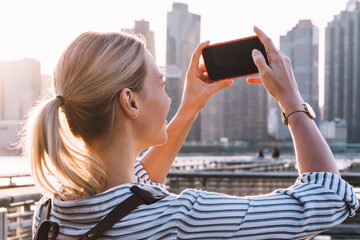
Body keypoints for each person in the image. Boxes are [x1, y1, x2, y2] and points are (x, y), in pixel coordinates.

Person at [21, 27, 358, 239]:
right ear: (130, 102)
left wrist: (187, 110)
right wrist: (292, 102)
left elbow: (128, 193)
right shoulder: (180, 219)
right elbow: (331, 199)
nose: (168, 97)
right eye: (162, 84)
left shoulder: (50, 213)